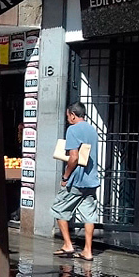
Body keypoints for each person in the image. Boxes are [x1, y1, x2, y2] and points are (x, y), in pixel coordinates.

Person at [51, 102, 100, 261]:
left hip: (76, 180)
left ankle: (67, 244)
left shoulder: (72, 129)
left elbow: (74, 157)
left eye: (67, 116)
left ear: (72, 114)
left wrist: (65, 176)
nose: (68, 119)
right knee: (89, 216)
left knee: (58, 209)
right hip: (91, 180)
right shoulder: (92, 130)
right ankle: (88, 250)